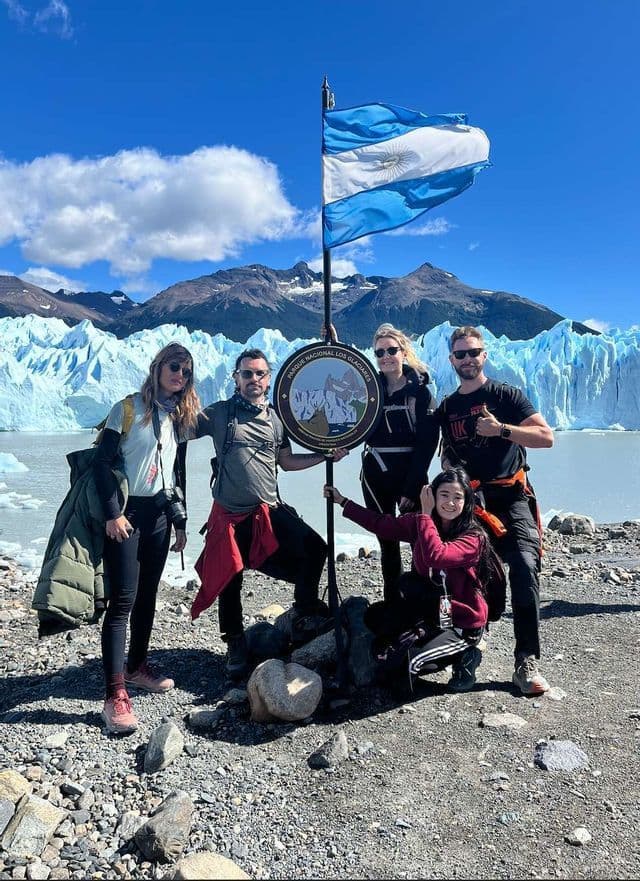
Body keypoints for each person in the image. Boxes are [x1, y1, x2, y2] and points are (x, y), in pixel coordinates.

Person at [191, 348, 348, 679]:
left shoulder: (277, 419)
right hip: (230, 515)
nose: (254, 379)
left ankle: (304, 613)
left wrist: (324, 456)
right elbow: (181, 428)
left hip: (268, 510)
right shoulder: (219, 414)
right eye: (247, 374)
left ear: (269, 377)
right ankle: (235, 641)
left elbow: (287, 462)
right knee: (230, 577)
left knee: (316, 548)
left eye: (260, 373)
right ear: (236, 378)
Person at [436, 325, 554, 695]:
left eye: (473, 352)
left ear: (484, 355)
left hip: (512, 496)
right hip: (473, 502)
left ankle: (526, 660)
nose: (467, 359)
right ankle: (469, 653)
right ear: (452, 360)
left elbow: (545, 437)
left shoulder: (505, 395)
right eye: (460, 354)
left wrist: (501, 429)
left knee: (523, 563)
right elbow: (445, 456)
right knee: (467, 574)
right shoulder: (448, 407)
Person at [94, 343, 200, 734]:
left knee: (147, 596)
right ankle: (114, 694)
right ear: (157, 368)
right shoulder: (126, 409)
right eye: (174, 367)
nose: (180, 375)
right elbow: (101, 465)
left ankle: (137, 667)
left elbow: (178, 472)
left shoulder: (179, 416)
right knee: (122, 599)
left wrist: (181, 523)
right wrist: (113, 514)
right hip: (126, 513)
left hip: (158, 515)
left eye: (186, 371)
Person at [324, 468, 491, 692]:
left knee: (406, 666)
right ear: (432, 494)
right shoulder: (422, 523)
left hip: (462, 622)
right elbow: (382, 525)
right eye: (444, 495)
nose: (450, 503)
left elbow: (437, 555)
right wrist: (343, 502)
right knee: (376, 617)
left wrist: (424, 513)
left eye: (457, 497)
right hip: (434, 611)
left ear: (467, 501)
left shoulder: (473, 537)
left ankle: (467, 654)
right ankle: (425, 639)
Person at [361, 324, 439, 600]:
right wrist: (331, 345)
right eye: (379, 352)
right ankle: (393, 603)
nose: (385, 356)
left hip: (411, 474)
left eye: (391, 350)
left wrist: (411, 487)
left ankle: (424, 603)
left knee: (421, 540)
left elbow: (428, 444)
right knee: (387, 541)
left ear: (403, 352)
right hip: (375, 473)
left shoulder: (421, 393)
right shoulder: (371, 390)